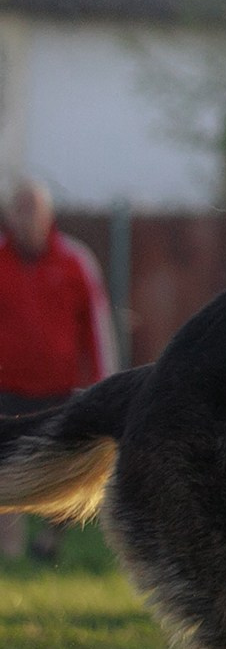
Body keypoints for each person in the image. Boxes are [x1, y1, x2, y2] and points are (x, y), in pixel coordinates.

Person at [0, 177, 119, 561]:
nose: (26, 217)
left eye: (33, 208)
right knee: (8, 465)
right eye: (20, 209)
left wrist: (105, 386)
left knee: (64, 469)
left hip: (60, 390)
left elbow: (97, 329)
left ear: (48, 213)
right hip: (8, 387)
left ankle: (50, 542)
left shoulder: (75, 261)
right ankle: (11, 550)